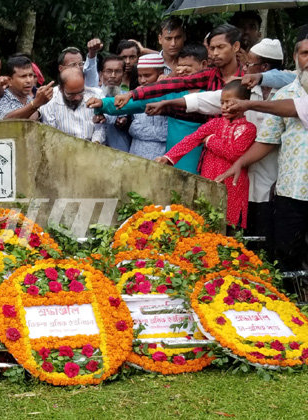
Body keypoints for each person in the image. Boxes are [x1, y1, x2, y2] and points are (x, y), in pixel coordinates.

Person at [217, 36, 308, 271]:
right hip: (291, 190)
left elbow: (296, 108)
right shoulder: (285, 92)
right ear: (297, 58)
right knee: (286, 257)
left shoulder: (283, 99)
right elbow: (267, 140)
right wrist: (241, 162)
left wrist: (249, 105)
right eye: (305, 54)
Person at [157, 80, 256, 229]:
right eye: (222, 102)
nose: (224, 107)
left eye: (229, 103)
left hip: (233, 183)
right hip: (209, 177)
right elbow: (192, 139)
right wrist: (168, 157)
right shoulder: (215, 123)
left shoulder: (249, 129)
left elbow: (235, 154)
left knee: (228, 225)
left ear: (245, 103)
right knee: (205, 219)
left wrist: (210, 140)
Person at [114, 24, 244, 109]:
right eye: (212, 48)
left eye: (220, 47)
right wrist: (132, 94)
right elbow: (173, 84)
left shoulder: (248, 79)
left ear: (236, 47)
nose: (215, 53)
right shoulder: (209, 75)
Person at [94, 54, 168, 159]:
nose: (142, 80)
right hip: (135, 155)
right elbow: (132, 127)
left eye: (147, 76)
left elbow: (167, 133)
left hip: (160, 157)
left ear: (160, 74)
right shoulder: (134, 95)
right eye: (140, 76)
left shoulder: (170, 96)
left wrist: (135, 128)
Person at [40, 67, 105, 144]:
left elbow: (100, 127)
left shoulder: (97, 96)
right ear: (61, 89)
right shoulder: (49, 101)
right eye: (71, 94)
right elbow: (51, 134)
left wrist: (95, 143)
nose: (77, 98)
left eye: (81, 93)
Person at [0, 54, 53, 120]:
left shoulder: (30, 99)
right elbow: (7, 121)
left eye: (31, 75)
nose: (29, 80)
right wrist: (35, 104)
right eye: (23, 76)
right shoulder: (2, 101)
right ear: (9, 81)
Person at [96, 54, 131, 152]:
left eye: (118, 71)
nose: (113, 76)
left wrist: (126, 121)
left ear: (123, 75)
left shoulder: (129, 98)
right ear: (101, 74)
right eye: (108, 71)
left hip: (120, 151)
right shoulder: (92, 96)